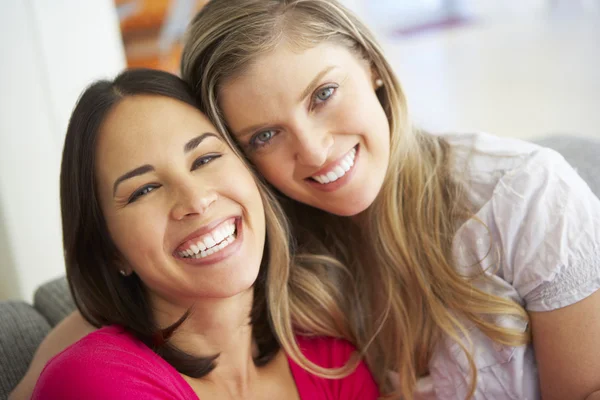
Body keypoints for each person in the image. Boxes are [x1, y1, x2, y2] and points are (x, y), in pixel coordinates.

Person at [11, 1, 600, 399]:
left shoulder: (525, 197)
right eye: (264, 136)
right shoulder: (265, 243)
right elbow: (109, 311)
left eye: (322, 93)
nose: (315, 151)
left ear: (368, 63)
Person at [28, 69, 379, 400]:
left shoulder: (328, 359)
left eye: (205, 158)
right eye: (144, 190)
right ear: (110, 250)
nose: (195, 200)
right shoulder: (96, 381)